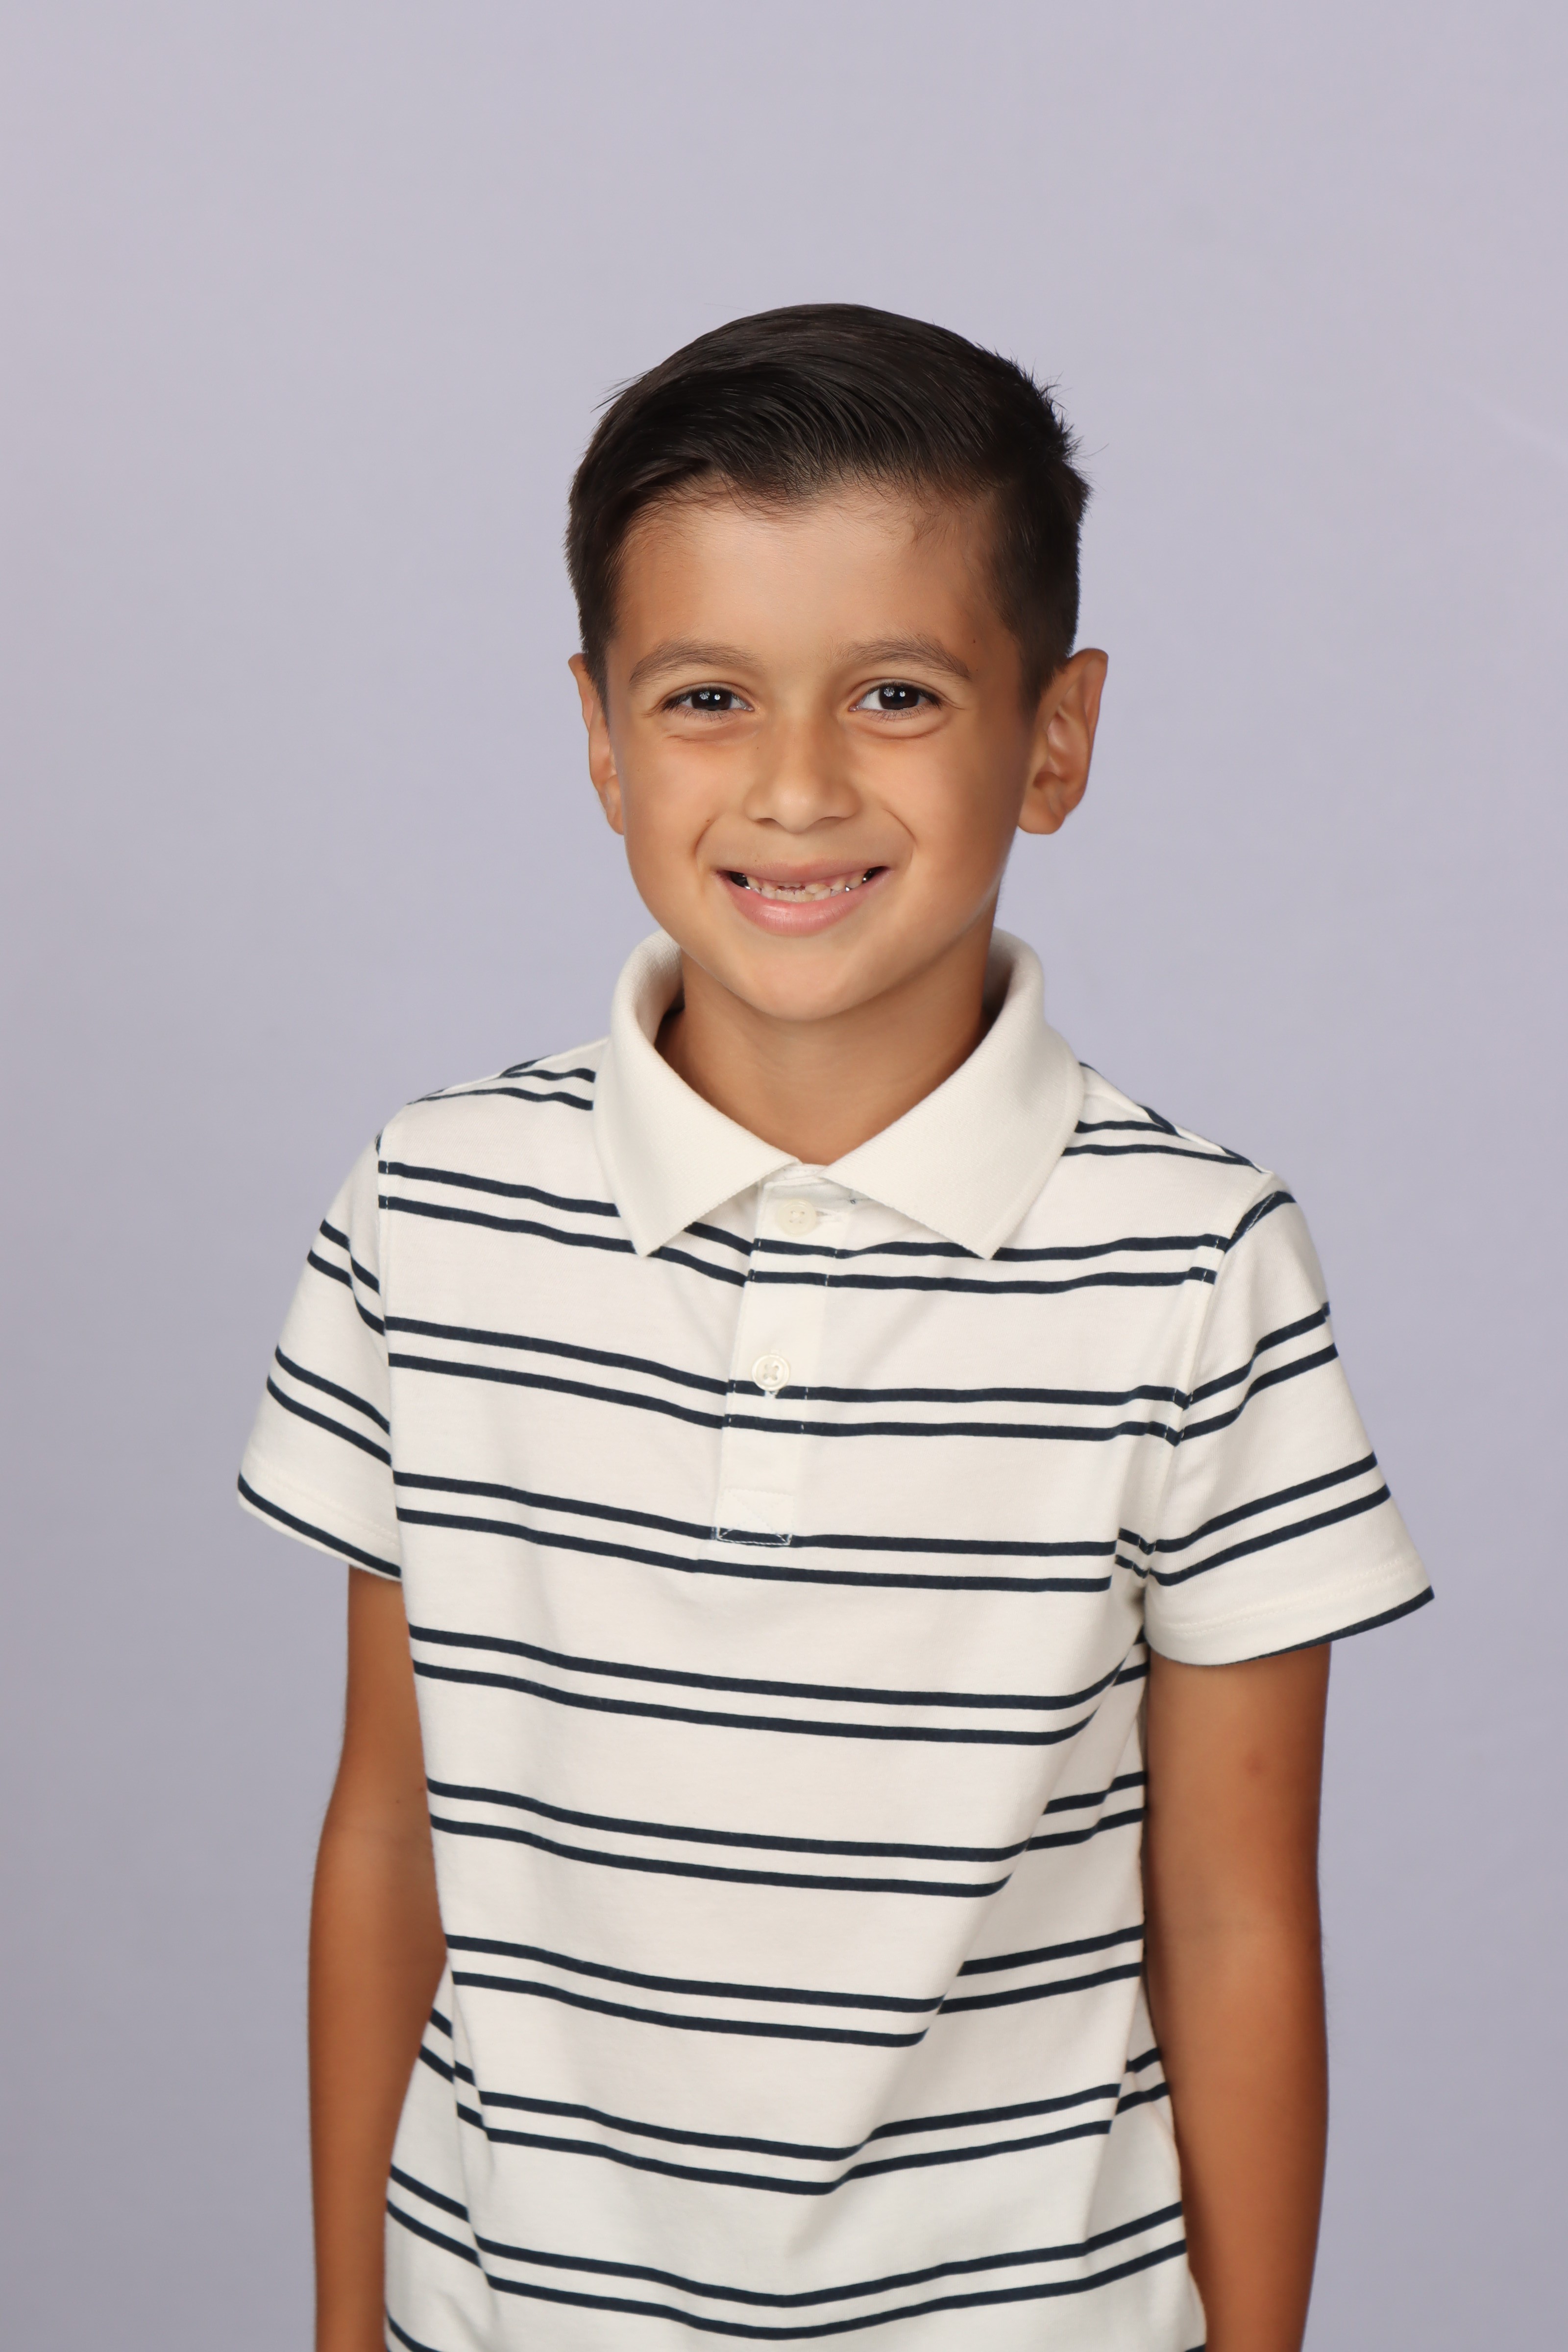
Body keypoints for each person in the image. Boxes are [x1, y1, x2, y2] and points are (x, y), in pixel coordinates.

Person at [238, 304, 1430, 2352]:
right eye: (707, 697)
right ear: (602, 736)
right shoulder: (427, 1215)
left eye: (894, 694)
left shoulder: (1192, 1262)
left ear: (1052, 737)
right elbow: (389, 1829)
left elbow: (1237, 1918)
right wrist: (351, 2325)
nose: (796, 786)